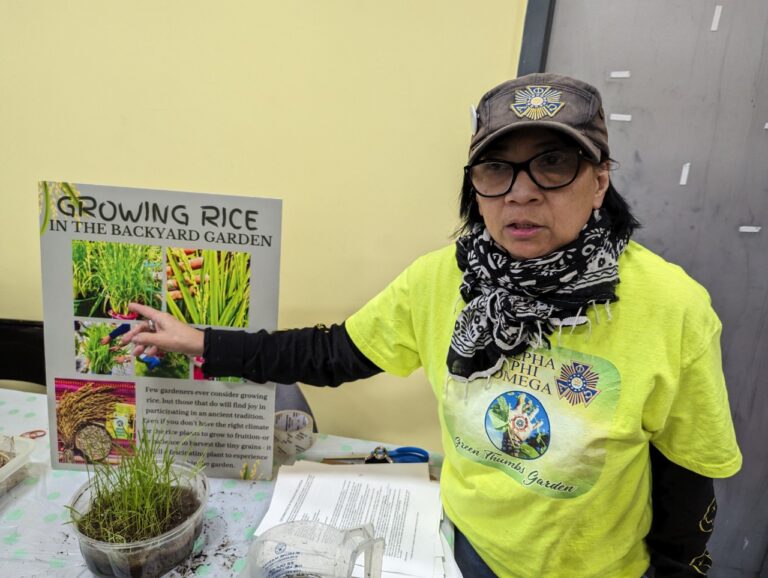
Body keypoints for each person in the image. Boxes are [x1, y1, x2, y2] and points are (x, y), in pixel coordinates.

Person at [123, 73, 742, 578]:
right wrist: (201, 343)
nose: (520, 194)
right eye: (496, 169)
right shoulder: (443, 277)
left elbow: (688, 470)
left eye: (553, 163)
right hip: (467, 550)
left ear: (600, 179)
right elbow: (333, 353)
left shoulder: (671, 306)